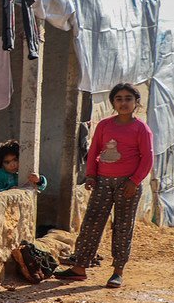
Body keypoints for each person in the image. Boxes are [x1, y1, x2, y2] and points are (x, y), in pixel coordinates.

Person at [54, 83, 153, 288]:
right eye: (119, 98)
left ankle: (118, 271)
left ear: (136, 102)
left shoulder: (141, 128)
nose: (123, 102)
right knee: (92, 223)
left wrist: (134, 181)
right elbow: (94, 152)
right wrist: (90, 176)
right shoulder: (105, 125)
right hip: (102, 182)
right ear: (113, 103)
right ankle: (79, 267)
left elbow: (147, 158)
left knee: (123, 226)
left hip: (128, 184)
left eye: (128, 98)